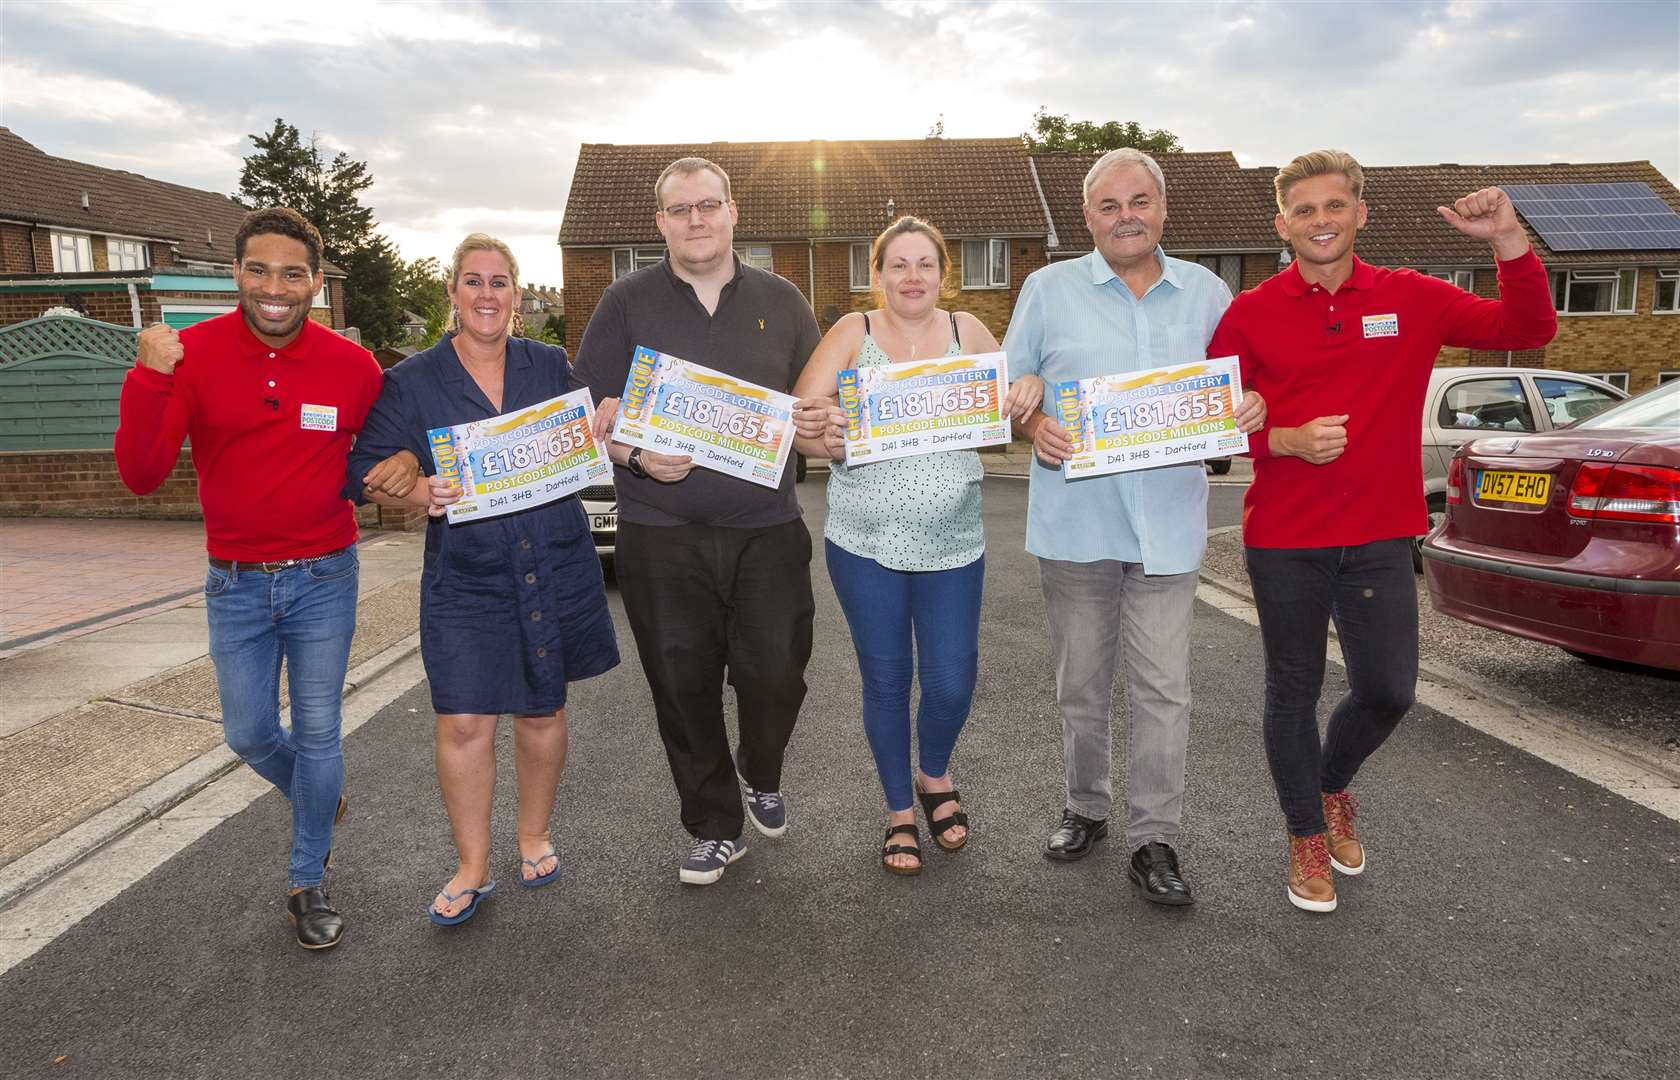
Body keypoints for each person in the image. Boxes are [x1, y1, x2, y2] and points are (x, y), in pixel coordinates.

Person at [1207, 150, 1557, 913]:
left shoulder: (1414, 297)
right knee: (1291, 691)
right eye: (1304, 210)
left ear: (1361, 213)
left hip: (1378, 535)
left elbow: (1529, 328)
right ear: (1283, 224)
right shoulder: (1250, 312)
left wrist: (1507, 239)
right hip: (1285, 538)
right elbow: (1208, 427)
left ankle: (1332, 787)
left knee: (1389, 690)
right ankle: (1304, 834)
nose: (1321, 221)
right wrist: (1282, 440)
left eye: (1335, 206)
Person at [114, 208, 384, 950]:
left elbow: (388, 448)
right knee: (249, 731)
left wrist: (404, 478)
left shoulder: (351, 367)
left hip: (325, 574)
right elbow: (140, 476)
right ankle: (317, 796)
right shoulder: (188, 356)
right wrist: (147, 376)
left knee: (321, 729)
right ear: (236, 274)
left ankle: (307, 882)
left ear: (317, 283)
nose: (275, 287)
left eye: (293, 273)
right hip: (235, 584)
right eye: (259, 270)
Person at [1007, 148, 1266, 906]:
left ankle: (1155, 837)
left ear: (1162, 209)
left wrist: (1248, 410)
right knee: (1081, 686)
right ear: (1089, 217)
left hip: (1167, 527)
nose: (1127, 216)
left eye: (1140, 201)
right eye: (1111, 205)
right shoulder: (1046, 289)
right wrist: (1035, 425)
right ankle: (1085, 806)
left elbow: (1238, 390)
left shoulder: (1209, 292)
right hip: (1076, 522)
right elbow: (1013, 392)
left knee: (1163, 689)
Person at [348, 234, 620, 925]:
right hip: (468, 572)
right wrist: (415, 490)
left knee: (542, 708)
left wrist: (607, 428)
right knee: (464, 718)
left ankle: (533, 835)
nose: (487, 295)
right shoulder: (410, 381)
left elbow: (583, 442)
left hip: (553, 557)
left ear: (517, 295)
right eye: (474, 281)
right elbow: (371, 475)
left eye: (500, 282)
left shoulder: (548, 364)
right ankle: (472, 864)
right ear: (452, 292)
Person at [574, 157, 830, 886]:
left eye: (708, 205)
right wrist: (635, 455)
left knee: (778, 671)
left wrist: (827, 426)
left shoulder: (783, 301)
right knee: (681, 685)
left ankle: (760, 768)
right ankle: (714, 825)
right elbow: (595, 414)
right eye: (680, 209)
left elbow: (812, 415)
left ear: (732, 212)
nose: (696, 220)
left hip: (767, 526)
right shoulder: (625, 302)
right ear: (661, 223)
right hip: (661, 531)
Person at [791, 216, 1040, 874]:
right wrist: (825, 439)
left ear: (941, 273)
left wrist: (1024, 393)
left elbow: (1009, 415)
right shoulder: (853, 333)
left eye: (924, 264)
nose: (911, 276)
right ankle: (901, 810)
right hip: (863, 541)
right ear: (876, 277)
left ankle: (934, 773)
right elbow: (799, 421)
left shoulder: (968, 333)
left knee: (953, 683)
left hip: (954, 543)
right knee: (886, 680)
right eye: (897, 265)